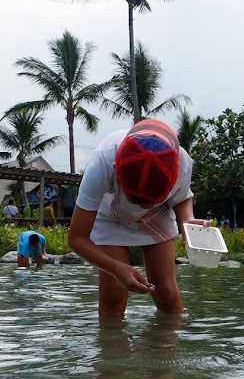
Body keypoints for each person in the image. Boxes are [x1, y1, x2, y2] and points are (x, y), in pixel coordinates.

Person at [67, 118, 208, 316]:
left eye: (152, 200)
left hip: (158, 216)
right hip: (111, 213)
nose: (146, 206)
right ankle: (112, 347)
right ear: (116, 170)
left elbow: (181, 198)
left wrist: (186, 221)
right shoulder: (103, 161)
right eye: (137, 200)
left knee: (166, 291)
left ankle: (168, 346)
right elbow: (76, 238)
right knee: (113, 295)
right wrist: (116, 268)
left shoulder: (181, 163)